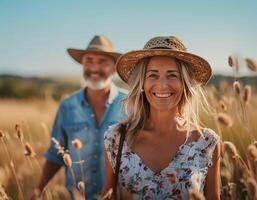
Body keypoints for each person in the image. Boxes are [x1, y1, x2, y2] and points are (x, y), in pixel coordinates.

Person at [101, 36, 221, 200]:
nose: (162, 85)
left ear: (184, 83)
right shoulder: (115, 138)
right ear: (142, 83)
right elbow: (107, 195)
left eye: (172, 75)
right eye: (153, 75)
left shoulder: (207, 142)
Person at [32, 35, 126, 200]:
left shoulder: (129, 104)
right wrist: (38, 192)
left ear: (113, 68)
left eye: (102, 61)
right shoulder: (67, 106)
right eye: (88, 61)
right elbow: (56, 154)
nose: (94, 68)